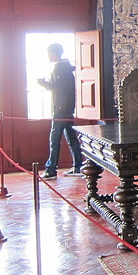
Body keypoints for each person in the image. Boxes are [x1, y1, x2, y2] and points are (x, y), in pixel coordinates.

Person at [37, 43, 83, 179]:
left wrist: (43, 83)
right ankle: (78, 166)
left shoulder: (60, 69)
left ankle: (51, 169)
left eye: (49, 53)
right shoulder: (65, 67)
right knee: (71, 137)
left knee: (55, 138)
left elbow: (59, 89)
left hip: (60, 108)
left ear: (54, 53)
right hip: (67, 107)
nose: (48, 56)